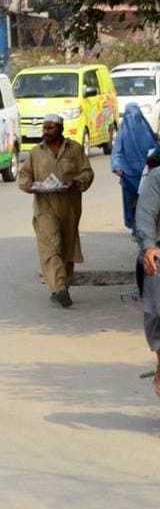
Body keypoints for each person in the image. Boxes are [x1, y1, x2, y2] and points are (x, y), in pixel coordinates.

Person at [18, 113, 95, 307]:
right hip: (45, 206)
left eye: (50, 128)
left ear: (60, 129)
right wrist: (28, 184)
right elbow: (24, 174)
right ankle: (59, 287)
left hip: (69, 206)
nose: (46, 131)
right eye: (44, 128)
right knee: (50, 247)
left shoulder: (75, 149)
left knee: (66, 248)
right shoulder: (36, 152)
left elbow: (87, 172)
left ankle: (63, 287)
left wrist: (75, 182)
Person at [134, 156, 160, 396]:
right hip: (159, 252)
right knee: (157, 313)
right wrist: (149, 246)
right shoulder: (157, 177)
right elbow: (145, 215)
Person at [112, 102, 158, 233]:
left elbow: (155, 150)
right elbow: (117, 151)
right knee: (132, 203)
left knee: (148, 202)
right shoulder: (123, 131)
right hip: (128, 174)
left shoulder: (146, 130)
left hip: (147, 173)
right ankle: (136, 227)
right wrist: (117, 167)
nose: (132, 118)